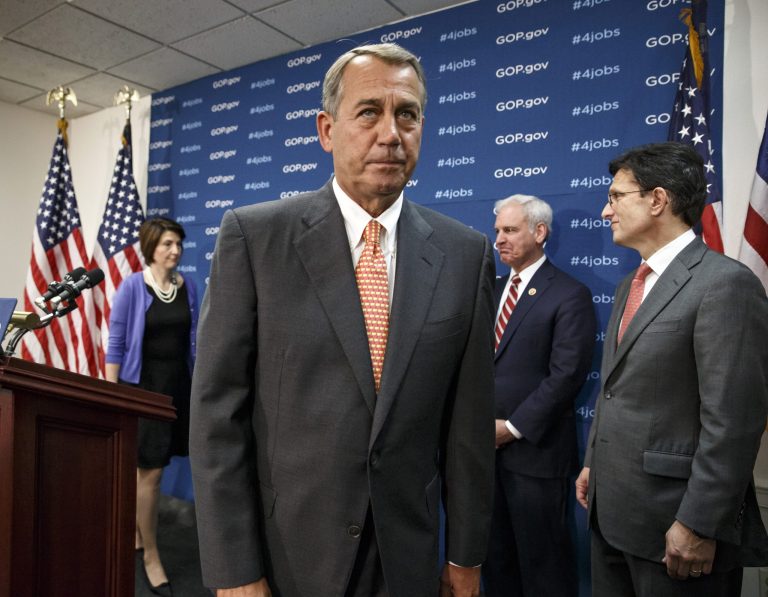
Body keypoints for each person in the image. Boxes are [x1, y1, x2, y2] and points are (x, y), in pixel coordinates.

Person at [189, 43, 496, 597]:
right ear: (327, 130)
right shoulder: (255, 239)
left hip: (408, 559)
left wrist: (466, 556)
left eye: (407, 113)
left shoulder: (465, 254)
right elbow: (217, 418)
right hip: (288, 556)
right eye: (369, 112)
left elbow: (467, 429)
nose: (391, 133)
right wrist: (235, 572)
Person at [575, 142, 768, 597]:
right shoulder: (630, 285)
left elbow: (734, 423)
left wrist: (700, 523)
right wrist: (592, 465)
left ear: (657, 200)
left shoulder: (725, 285)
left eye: (616, 196)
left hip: (675, 531)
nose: (605, 212)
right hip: (612, 515)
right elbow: (616, 388)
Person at [482, 195, 596, 597]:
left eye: (510, 230)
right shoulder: (491, 291)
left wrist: (512, 428)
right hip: (482, 455)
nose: (499, 240)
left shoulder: (569, 294)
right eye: (497, 231)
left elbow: (566, 377)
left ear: (539, 232)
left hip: (536, 457)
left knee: (543, 566)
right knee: (494, 562)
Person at [106, 217, 198, 596]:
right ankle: (151, 554)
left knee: (151, 470)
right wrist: (111, 396)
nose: (175, 250)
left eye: (178, 243)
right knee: (151, 475)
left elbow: (193, 339)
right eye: (167, 244)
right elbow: (116, 341)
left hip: (179, 388)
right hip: (143, 390)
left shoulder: (186, 285)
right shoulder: (132, 286)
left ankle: (137, 534)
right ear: (151, 247)